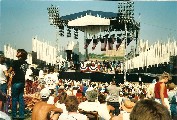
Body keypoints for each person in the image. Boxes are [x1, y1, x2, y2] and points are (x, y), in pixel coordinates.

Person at [8, 49, 29, 119]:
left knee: (14, 99)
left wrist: (8, 73)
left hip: (16, 82)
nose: (16, 53)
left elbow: (9, 70)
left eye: (18, 52)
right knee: (21, 99)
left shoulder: (15, 62)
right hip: (22, 82)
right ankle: (21, 115)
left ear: (21, 54)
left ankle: (14, 116)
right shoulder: (26, 63)